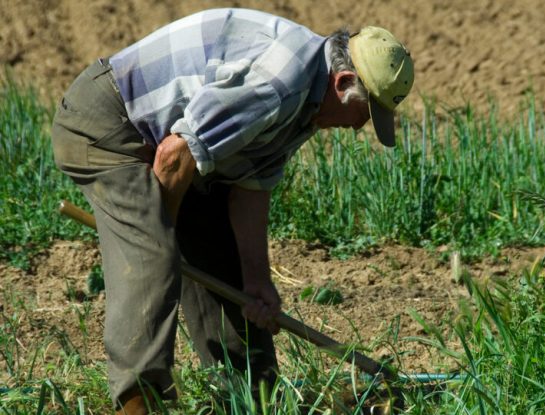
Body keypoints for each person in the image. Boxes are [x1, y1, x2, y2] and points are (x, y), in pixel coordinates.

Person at [50, 8, 414, 414]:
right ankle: (139, 404)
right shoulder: (281, 84)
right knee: (153, 258)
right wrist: (163, 243)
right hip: (110, 127)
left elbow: (251, 185)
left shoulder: (310, 105)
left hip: (172, 148)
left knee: (229, 276)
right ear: (344, 82)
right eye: (365, 114)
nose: (358, 127)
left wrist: (256, 282)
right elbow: (173, 157)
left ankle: (249, 400)